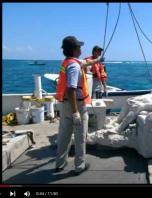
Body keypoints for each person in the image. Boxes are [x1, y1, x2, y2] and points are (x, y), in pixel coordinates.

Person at [55, 36, 103, 175]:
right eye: (79, 47)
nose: (81, 48)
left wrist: (98, 60)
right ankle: (79, 166)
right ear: (75, 49)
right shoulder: (74, 66)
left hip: (64, 105)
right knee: (80, 137)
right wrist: (76, 112)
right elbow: (71, 89)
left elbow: (86, 62)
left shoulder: (69, 62)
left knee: (64, 135)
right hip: (76, 105)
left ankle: (60, 163)